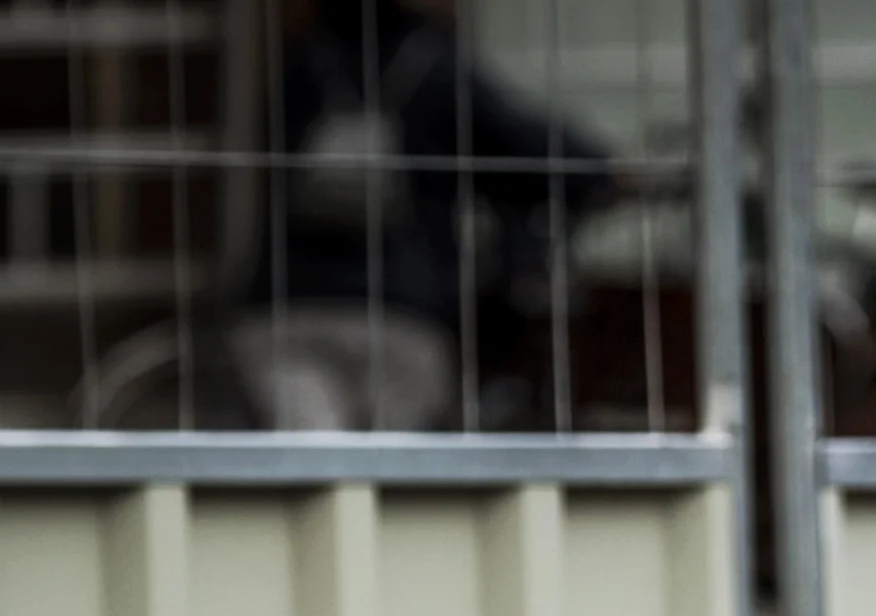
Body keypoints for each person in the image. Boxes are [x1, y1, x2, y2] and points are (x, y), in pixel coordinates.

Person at [246, 0, 611, 429]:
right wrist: (608, 174)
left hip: (285, 305)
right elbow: (541, 155)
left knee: (308, 464)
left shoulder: (297, 66)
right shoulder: (439, 73)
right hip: (401, 308)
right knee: (390, 474)